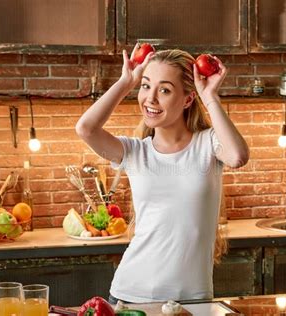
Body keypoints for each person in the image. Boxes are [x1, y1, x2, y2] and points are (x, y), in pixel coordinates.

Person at [76, 45, 249, 303]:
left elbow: (237, 156)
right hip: (130, 295)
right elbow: (86, 129)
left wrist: (209, 95)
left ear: (188, 99)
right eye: (146, 86)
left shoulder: (208, 145)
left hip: (193, 299)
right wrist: (127, 82)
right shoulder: (135, 152)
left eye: (165, 90)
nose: (151, 99)